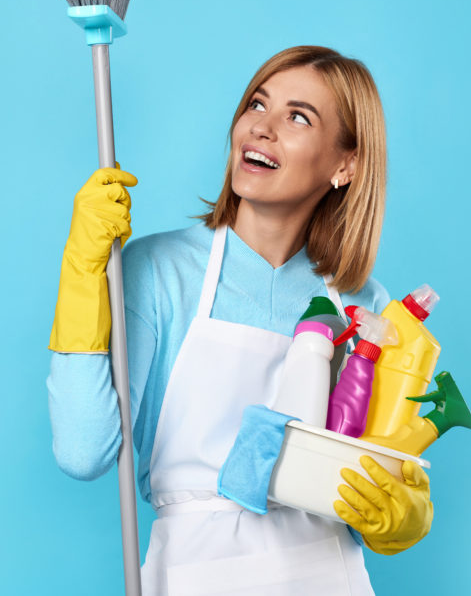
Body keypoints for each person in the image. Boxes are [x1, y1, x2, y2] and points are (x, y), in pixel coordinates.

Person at [47, 46, 433, 595]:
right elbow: (83, 453)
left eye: (298, 117)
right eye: (257, 104)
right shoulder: (159, 271)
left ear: (344, 166)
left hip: (326, 573)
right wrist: (82, 278)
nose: (262, 128)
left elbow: (362, 472)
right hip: (200, 573)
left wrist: (399, 511)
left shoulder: (363, 303)